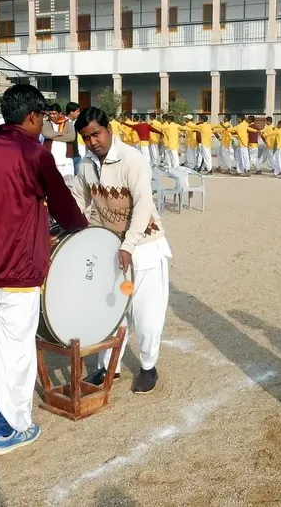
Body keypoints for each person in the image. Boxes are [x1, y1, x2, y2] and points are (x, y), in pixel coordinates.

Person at [0, 84, 88, 455]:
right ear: (32, 116)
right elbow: (64, 207)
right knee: (14, 349)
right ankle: (9, 427)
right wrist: (82, 228)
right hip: (15, 268)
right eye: (43, 117)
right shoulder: (34, 154)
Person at [72, 106, 172, 395]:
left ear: (109, 129)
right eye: (86, 137)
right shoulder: (86, 165)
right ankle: (108, 367)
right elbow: (80, 198)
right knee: (111, 311)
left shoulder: (132, 160)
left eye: (96, 134)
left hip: (144, 247)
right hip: (110, 246)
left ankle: (148, 366)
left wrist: (128, 245)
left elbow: (143, 206)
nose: (92, 142)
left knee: (146, 315)